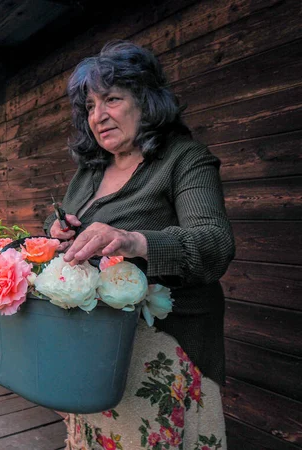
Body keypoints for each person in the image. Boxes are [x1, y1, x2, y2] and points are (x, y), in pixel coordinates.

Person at [44, 41, 235, 449]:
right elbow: (70, 224)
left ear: (146, 102)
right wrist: (58, 231)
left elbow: (214, 244)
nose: (99, 116)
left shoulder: (184, 159)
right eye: (90, 106)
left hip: (167, 351)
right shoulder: (90, 171)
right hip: (100, 351)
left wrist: (133, 240)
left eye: (111, 99)